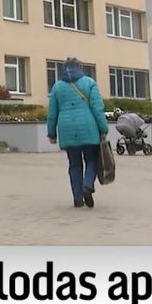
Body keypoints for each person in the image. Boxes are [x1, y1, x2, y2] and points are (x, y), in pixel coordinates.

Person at [46, 57, 109, 209]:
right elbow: (97, 108)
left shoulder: (57, 87)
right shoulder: (89, 83)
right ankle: (87, 185)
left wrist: (52, 133)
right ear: (79, 67)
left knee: (74, 164)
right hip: (89, 128)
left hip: (67, 129)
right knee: (92, 160)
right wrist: (103, 129)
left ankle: (77, 198)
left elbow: (52, 113)